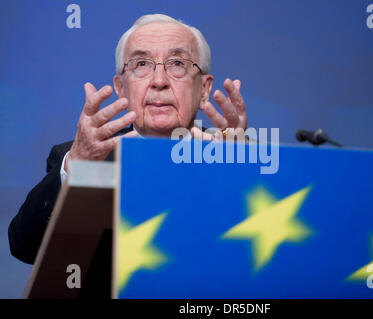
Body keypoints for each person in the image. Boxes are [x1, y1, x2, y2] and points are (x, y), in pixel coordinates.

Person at [8, 14, 248, 264]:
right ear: (121, 87)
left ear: (204, 89)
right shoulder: (76, 159)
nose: (159, 81)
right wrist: (79, 165)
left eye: (177, 63)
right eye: (141, 64)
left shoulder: (237, 155)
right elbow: (26, 247)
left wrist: (241, 174)